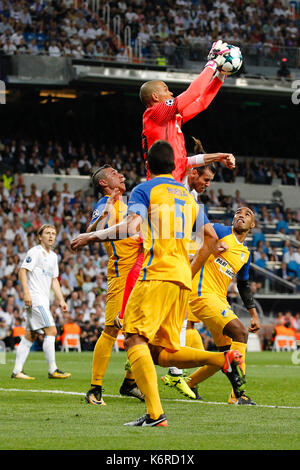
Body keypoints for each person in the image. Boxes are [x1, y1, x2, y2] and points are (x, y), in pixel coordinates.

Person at [71, 140, 246, 427]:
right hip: (181, 278)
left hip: (154, 273)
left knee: (132, 338)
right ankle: (223, 360)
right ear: (174, 165)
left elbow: (131, 226)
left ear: (148, 166)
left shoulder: (145, 189)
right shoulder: (189, 198)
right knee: (160, 352)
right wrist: (189, 270)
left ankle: (154, 414)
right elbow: (212, 238)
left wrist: (89, 237)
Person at [185, 207, 261, 405]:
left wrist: (254, 315)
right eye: (238, 212)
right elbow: (192, 228)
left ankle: (190, 382)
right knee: (241, 334)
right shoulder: (219, 231)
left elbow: (243, 285)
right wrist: (208, 247)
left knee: (226, 354)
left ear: (252, 225)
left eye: (246, 214)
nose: (240, 215)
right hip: (201, 294)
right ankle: (238, 394)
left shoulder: (245, 253)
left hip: (219, 298)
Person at [83, 165, 144, 406]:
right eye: (114, 173)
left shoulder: (130, 204)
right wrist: (108, 208)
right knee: (111, 329)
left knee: (142, 331)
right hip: (121, 274)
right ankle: (95, 388)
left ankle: (129, 383)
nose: (121, 174)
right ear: (104, 183)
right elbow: (93, 231)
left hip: (140, 273)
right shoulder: (104, 204)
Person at [140, 40, 235, 182]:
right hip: (162, 187)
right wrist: (212, 63)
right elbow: (193, 93)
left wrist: (220, 75)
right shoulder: (154, 113)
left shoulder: (171, 119)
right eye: (166, 89)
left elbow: (201, 103)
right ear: (155, 96)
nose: (171, 93)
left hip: (173, 186)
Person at [11, 224, 71, 380]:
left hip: (43, 300)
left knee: (30, 335)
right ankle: (53, 370)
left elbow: (54, 281)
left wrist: (61, 300)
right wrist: (26, 294)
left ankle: (17, 371)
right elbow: (22, 271)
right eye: (47, 233)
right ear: (39, 236)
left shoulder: (53, 256)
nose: (51, 236)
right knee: (52, 331)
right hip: (35, 299)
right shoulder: (35, 252)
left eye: (53, 233)